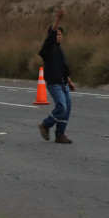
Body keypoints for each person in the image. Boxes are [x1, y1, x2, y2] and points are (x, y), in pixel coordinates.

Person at [38, 9, 75, 144]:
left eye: (61, 34)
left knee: (67, 107)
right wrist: (58, 19)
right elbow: (52, 33)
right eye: (57, 34)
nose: (59, 36)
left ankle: (60, 135)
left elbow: (63, 69)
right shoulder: (48, 47)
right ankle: (45, 125)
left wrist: (69, 82)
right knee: (61, 107)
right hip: (53, 83)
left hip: (63, 83)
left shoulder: (60, 51)